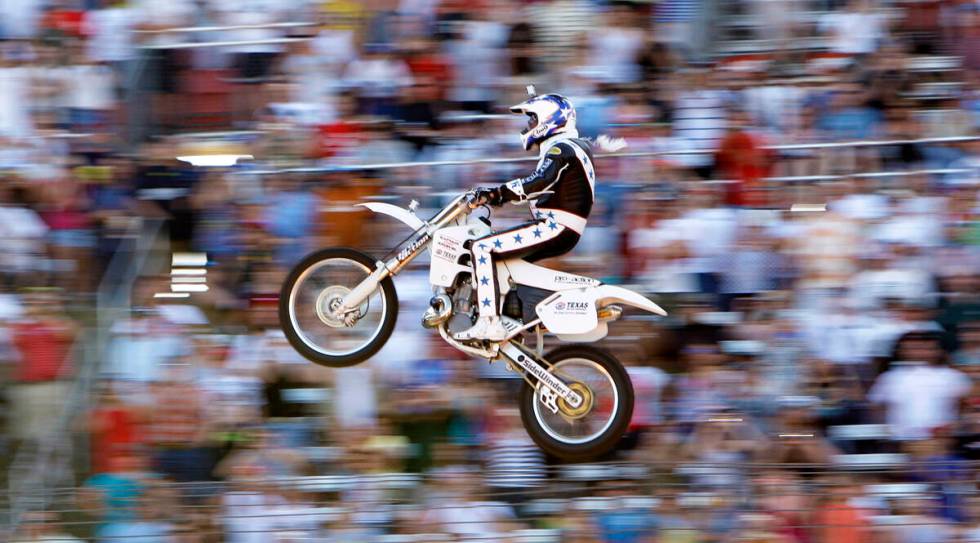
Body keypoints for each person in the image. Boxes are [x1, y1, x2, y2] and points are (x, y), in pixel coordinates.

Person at [456, 92, 597, 341]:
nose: (528, 126)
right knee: (502, 260)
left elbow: (537, 182)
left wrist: (494, 194)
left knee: (481, 248)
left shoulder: (562, 148)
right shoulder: (572, 147)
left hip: (555, 227)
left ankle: (490, 322)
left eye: (532, 119)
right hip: (560, 228)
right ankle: (510, 316)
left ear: (549, 120)